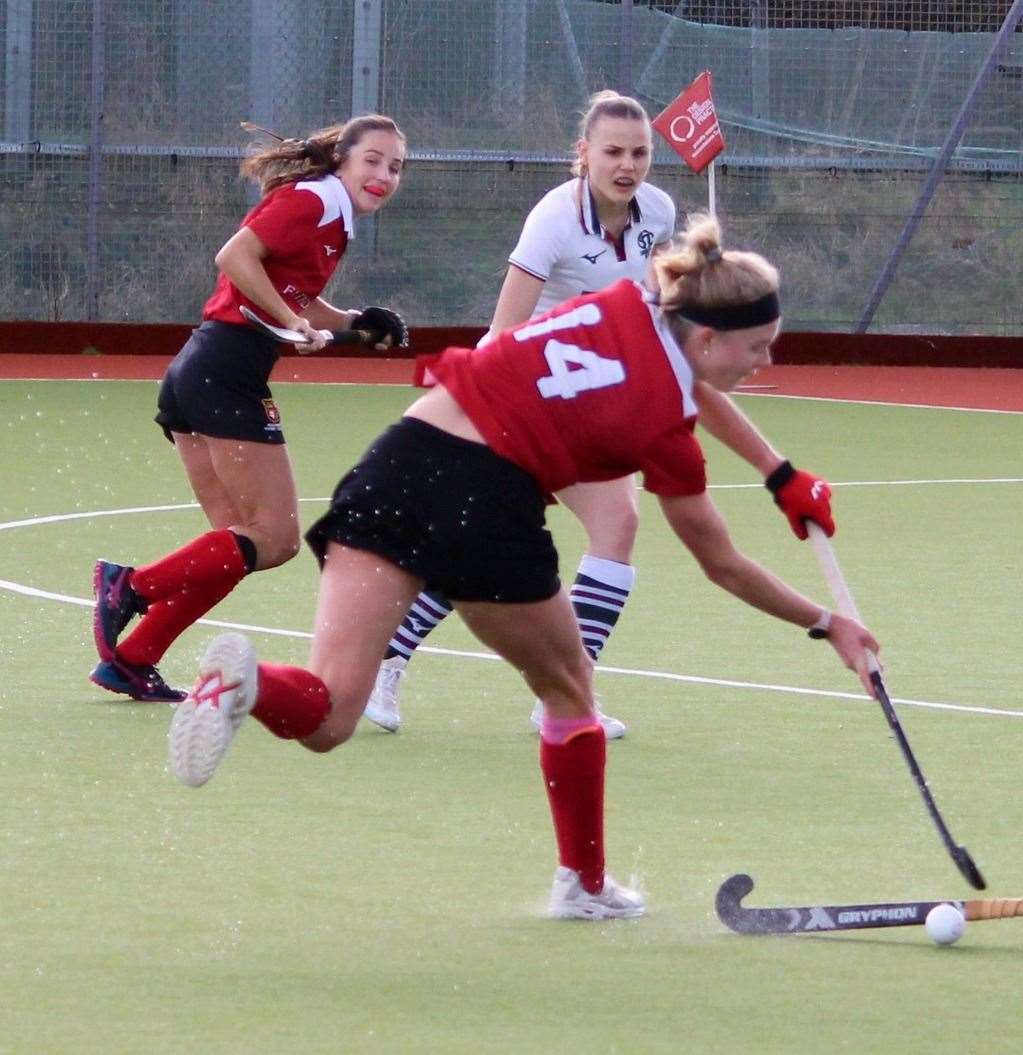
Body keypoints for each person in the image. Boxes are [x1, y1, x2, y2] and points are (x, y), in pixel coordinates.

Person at [164, 215, 879, 921]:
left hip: (398, 459)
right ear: (709, 335)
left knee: (329, 713)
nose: (767, 362)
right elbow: (721, 563)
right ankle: (585, 885)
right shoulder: (666, 430)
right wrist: (827, 621)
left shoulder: (627, 300)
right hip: (487, 496)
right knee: (569, 690)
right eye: (759, 346)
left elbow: (689, 380)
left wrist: (775, 469)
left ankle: (247, 684)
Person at [361, 89, 830, 740]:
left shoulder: (658, 212)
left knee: (619, 524)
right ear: (582, 154)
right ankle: (388, 659)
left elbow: (668, 340)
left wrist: (772, 465)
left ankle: (564, 693)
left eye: (639, 153)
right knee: (482, 541)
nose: (627, 165)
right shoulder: (554, 219)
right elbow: (502, 330)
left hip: (602, 405)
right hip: (529, 399)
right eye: (612, 151)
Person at [88, 115, 410, 702]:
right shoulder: (314, 201)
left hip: (200, 369)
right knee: (277, 539)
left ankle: (133, 660)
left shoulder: (331, 217)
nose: (384, 175)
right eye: (373, 160)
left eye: (396, 166)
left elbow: (295, 296)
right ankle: (129, 586)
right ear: (342, 158)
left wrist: (355, 325)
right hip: (225, 374)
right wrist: (292, 324)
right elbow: (235, 257)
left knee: (231, 548)